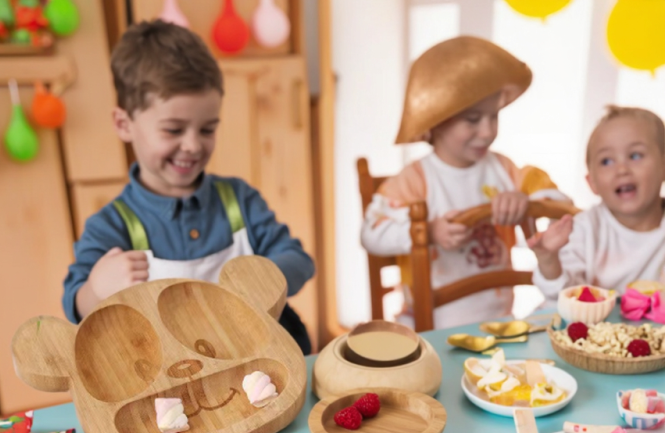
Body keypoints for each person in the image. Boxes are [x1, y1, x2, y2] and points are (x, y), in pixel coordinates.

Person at [62, 20, 314, 354]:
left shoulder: (239, 200)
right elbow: (75, 305)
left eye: (207, 129)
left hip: (259, 362)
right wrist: (96, 289)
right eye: (173, 130)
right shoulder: (111, 226)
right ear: (125, 124)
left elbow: (299, 260)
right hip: (174, 380)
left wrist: (263, 278)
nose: (193, 145)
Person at [361, 36, 570, 329]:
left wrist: (527, 203)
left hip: (500, 321)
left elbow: (561, 205)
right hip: (427, 327)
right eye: (473, 119)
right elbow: (370, 233)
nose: (487, 131)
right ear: (434, 121)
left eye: (493, 116)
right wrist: (427, 232)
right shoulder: (414, 180)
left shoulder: (504, 170)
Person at [530, 106, 665, 298]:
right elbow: (561, 295)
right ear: (592, 183)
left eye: (635, 155)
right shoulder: (583, 229)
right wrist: (549, 259)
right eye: (607, 161)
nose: (621, 169)